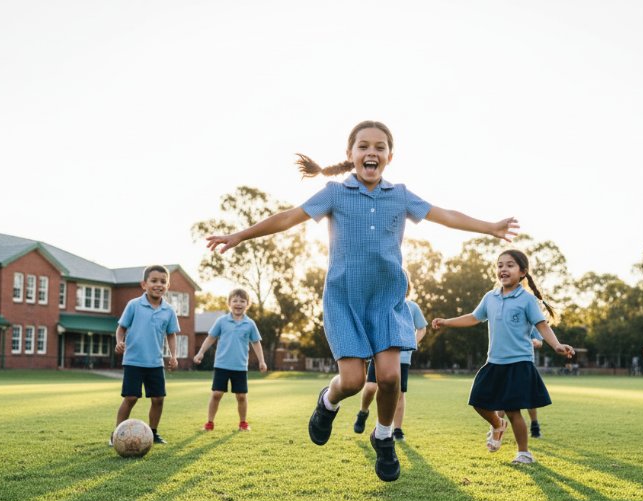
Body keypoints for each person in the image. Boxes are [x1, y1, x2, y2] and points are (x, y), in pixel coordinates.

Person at [205, 120, 518, 482]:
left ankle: (383, 437)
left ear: (389, 156)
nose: (372, 152)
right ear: (350, 155)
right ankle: (328, 402)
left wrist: (489, 227)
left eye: (380, 147)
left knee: (388, 378)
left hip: (387, 301)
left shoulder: (400, 195)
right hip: (344, 300)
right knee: (352, 381)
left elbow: (444, 215)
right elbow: (288, 217)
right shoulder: (334, 193)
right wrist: (240, 236)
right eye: (364, 146)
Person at [432, 249, 574, 465]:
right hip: (494, 362)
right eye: (500, 265)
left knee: (513, 409)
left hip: (519, 363)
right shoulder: (491, 297)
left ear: (522, 272)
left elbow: (542, 325)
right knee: (478, 399)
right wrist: (447, 321)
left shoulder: (526, 299)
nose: (503, 269)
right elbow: (473, 317)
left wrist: (556, 345)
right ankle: (498, 424)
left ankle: (524, 453)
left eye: (509, 265)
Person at [112, 265, 180, 446]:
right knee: (131, 398)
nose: (159, 284)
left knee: (158, 399)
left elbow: (171, 334)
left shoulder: (169, 311)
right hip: (133, 361)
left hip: (155, 363)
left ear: (167, 285)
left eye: (163, 281)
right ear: (144, 284)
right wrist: (119, 341)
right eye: (154, 281)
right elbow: (121, 328)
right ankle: (117, 434)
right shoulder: (134, 305)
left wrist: (174, 356)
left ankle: (154, 432)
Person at [353, 285, 427, 441]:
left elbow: (422, 328)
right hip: (381, 354)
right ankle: (363, 412)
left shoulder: (412, 307)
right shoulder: (382, 305)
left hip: (403, 358)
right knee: (371, 387)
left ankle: (397, 429)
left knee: (399, 394)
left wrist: (410, 342)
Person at [193, 288, 267, 432]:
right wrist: (200, 352)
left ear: (247, 304)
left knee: (241, 396)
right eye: (235, 300)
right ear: (229, 303)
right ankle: (209, 423)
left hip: (240, 366)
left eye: (242, 301)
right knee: (216, 394)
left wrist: (261, 361)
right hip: (222, 364)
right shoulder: (222, 321)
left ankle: (243, 423)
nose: (238, 304)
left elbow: (256, 343)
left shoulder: (250, 324)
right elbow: (210, 338)